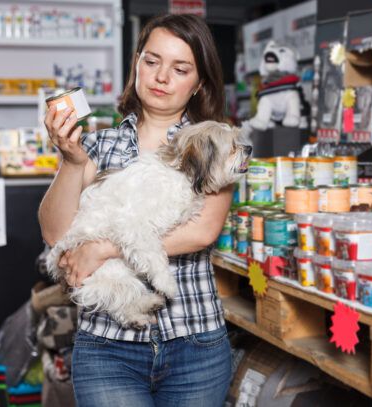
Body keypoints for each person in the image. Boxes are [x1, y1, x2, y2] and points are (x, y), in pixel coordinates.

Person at [38, 14, 233, 407]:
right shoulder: (97, 145)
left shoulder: (211, 143)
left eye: (180, 69)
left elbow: (203, 231)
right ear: (136, 66)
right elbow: (56, 234)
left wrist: (106, 248)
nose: (162, 77)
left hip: (195, 342)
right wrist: (73, 162)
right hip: (108, 347)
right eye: (152, 61)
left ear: (198, 84)